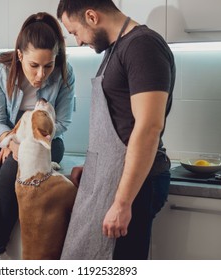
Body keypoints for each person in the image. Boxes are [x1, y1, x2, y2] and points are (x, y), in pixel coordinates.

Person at [56, 0, 175, 260]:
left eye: (75, 32)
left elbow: (148, 127)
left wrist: (123, 204)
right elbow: (120, 122)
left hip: (136, 186)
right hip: (114, 177)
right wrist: (96, 167)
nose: (77, 42)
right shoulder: (117, 48)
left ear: (91, 16)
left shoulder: (143, 46)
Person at [0, 12, 75, 260]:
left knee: (11, 170)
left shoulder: (66, 73)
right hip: (7, 131)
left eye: (48, 65)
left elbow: (63, 123)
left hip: (47, 140)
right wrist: (10, 140)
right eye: (34, 65)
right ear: (20, 55)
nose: (40, 74)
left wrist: (26, 141)